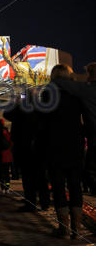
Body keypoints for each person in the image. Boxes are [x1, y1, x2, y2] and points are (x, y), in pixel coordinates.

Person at [39, 64, 85, 238]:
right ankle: (77, 229)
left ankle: (63, 228)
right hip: (75, 144)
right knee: (75, 186)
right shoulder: (77, 93)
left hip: (54, 145)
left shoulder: (47, 93)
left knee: (58, 186)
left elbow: (42, 122)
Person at [53, 62, 96, 195]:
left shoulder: (87, 89)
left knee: (91, 169)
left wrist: (67, 75)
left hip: (94, 134)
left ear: (90, 75)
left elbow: (60, 81)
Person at [3, 93, 50, 212]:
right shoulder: (41, 108)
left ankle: (31, 202)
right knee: (41, 177)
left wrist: (16, 103)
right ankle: (45, 202)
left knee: (27, 177)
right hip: (39, 147)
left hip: (23, 147)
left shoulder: (21, 108)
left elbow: (6, 114)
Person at [0, 120, 13, 193]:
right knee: (7, 173)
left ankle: (2, 188)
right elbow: (11, 143)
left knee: (1, 174)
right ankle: (7, 187)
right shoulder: (8, 133)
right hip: (7, 156)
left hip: (0, 156)